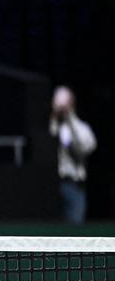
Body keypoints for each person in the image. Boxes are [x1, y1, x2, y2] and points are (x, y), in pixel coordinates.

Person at [49, 85, 96, 224]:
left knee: (75, 231)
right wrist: (55, 115)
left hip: (76, 186)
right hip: (58, 185)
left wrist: (69, 119)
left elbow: (82, 149)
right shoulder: (56, 128)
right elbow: (51, 134)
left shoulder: (82, 128)